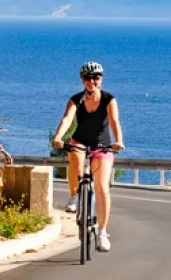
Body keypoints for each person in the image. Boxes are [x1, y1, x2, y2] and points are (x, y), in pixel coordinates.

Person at [52, 61, 124, 252]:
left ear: (101, 79)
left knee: (102, 188)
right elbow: (67, 119)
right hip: (80, 141)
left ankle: (102, 233)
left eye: (96, 77)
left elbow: (114, 121)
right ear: (82, 80)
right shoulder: (76, 100)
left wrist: (119, 140)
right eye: (87, 78)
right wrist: (58, 137)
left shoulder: (109, 99)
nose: (91, 81)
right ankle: (75, 196)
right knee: (75, 157)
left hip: (102, 145)